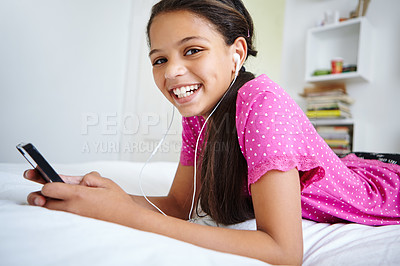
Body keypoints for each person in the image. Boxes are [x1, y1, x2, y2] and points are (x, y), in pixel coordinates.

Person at [24, 0, 400, 265]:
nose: (171, 72)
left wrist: (130, 217)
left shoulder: (261, 101)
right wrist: (105, 194)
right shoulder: (199, 115)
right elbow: (177, 205)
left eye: (192, 51)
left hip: (382, 186)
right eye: (160, 59)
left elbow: (284, 253)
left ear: (236, 53)